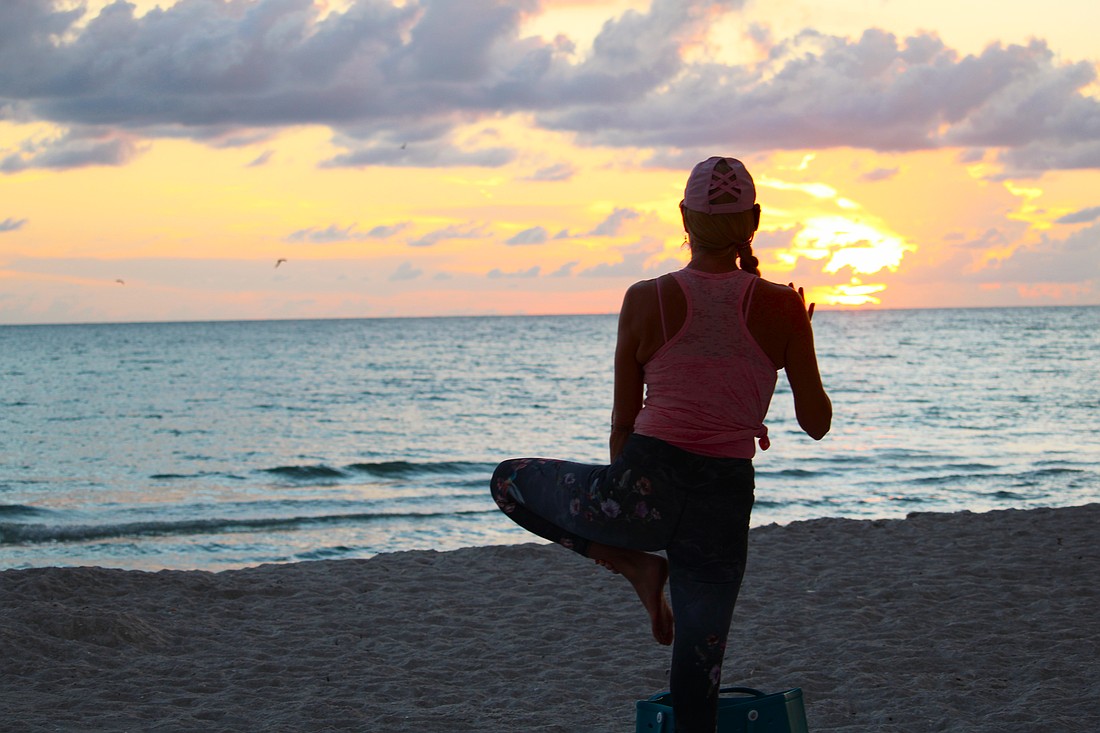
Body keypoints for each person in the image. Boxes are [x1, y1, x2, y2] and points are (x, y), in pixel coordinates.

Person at [490, 156, 831, 733]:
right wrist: (801, 333)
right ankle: (639, 569)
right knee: (698, 676)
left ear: (683, 217)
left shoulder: (645, 297)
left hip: (644, 485)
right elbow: (816, 423)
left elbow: (622, 426)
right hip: (723, 500)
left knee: (508, 481)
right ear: (755, 219)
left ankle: (632, 565)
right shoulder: (783, 307)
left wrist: (621, 510)